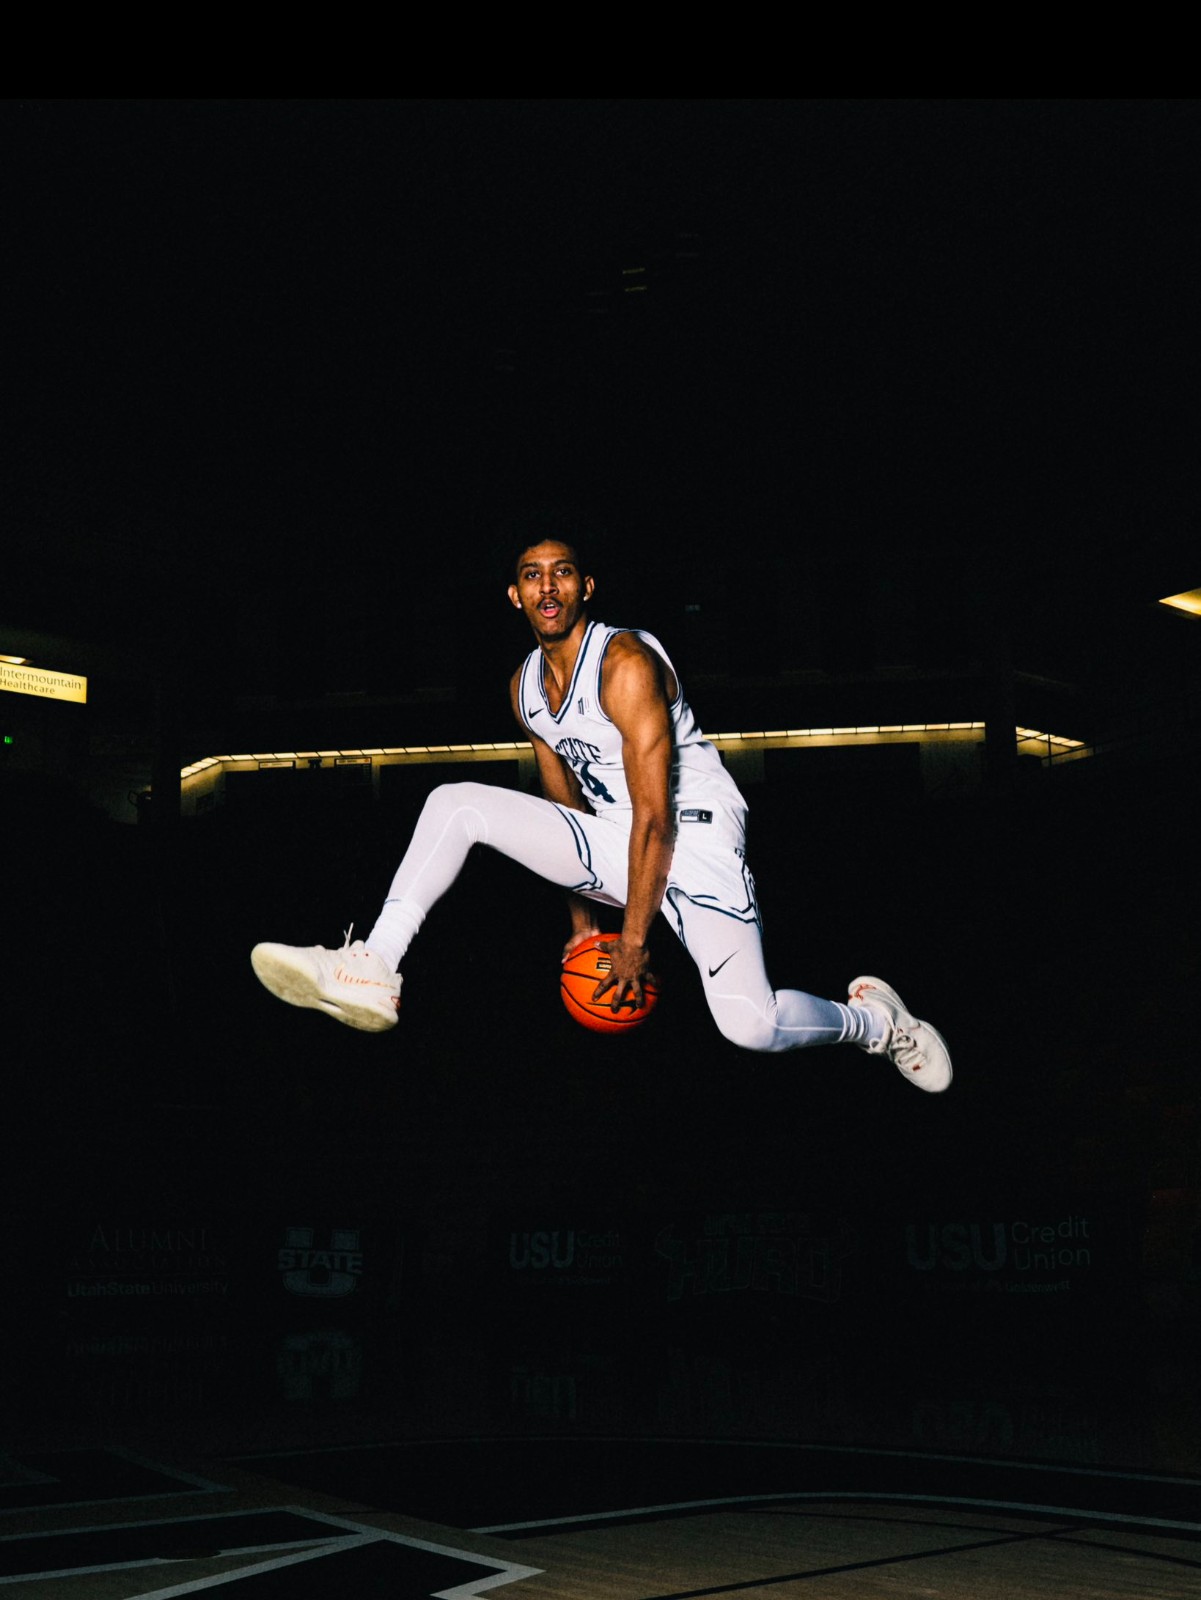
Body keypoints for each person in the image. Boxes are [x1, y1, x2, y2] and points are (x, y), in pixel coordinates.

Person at [251, 537, 952, 1091]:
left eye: (561, 573)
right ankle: (374, 963)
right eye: (531, 575)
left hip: (692, 834)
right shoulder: (525, 689)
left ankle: (879, 1025)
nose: (547, 586)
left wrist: (634, 938)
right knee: (454, 803)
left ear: (585, 587)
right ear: (515, 594)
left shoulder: (625, 663)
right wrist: (585, 925)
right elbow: (565, 804)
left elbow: (656, 817)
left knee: (750, 1025)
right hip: (617, 834)